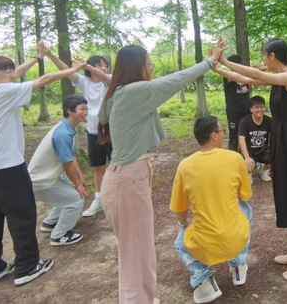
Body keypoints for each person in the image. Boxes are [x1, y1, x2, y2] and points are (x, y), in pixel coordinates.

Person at [98, 42, 226, 304]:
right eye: (149, 63)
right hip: (127, 180)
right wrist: (209, 62)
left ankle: (146, 298)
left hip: (128, 178)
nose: (152, 67)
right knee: (134, 255)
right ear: (136, 67)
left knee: (140, 251)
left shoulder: (121, 92)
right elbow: (176, 80)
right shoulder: (134, 91)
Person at [0, 53, 84, 287]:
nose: (12, 75)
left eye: (12, 71)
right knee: (22, 215)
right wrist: (72, 70)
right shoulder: (4, 92)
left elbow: (15, 74)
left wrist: (36, 57)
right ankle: (28, 266)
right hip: (7, 167)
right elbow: (43, 80)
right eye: (7, 72)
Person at [214, 38, 287, 281]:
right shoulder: (279, 76)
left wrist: (224, 61)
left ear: (272, 56)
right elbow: (245, 78)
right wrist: (217, 68)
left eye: (264, 55)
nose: (262, 60)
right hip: (284, 141)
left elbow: (253, 74)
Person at [170, 116, 252, 304]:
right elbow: (245, 195)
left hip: (203, 242)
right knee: (246, 209)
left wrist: (183, 225)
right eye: (223, 131)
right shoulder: (234, 158)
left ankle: (204, 281)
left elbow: (180, 208)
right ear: (214, 136)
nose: (224, 134)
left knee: (180, 242)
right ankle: (239, 266)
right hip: (235, 237)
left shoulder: (185, 166)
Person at [40, 42, 112, 217]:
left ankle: (116, 197)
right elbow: (67, 71)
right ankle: (99, 199)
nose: (104, 68)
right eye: (100, 65)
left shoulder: (108, 80)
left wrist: (87, 67)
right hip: (93, 132)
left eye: (105, 65)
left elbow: (106, 78)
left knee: (116, 166)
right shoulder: (85, 82)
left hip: (111, 130)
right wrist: (50, 55)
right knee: (98, 167)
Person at [28, 95, 88, 247]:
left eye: (86, 109)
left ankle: (50, 222)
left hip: (47, 177)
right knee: (75, 199)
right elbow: (67, 163)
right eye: (82, 109)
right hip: (41, 181)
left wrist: (80, 177)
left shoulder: (67, 128)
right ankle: (59, 235)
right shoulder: (63, 133)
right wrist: (77, 184)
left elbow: (71, 157)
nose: (85, 112)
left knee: (69, 193)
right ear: (69, 111)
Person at [238, 95, 272, 183]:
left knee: (278, 157)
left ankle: (262, 169)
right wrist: (247, 157)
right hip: (249, 151)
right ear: (251, 109)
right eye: (256, 107)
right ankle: (248, 173)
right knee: (244, 163)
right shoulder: (244, 121)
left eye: (262, 107)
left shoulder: (269, 120)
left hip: (263, 150)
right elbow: (241, 139)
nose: (259, 109)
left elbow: (275, 135)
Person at [222, 54, 251, 153]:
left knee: (247, 132)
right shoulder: (227, 75)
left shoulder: (246, 73)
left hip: (247, 108)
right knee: (234, 133)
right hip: (234, 110)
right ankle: (233, 154)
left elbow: (256, 72)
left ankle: (247, 155)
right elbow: (234, 76)